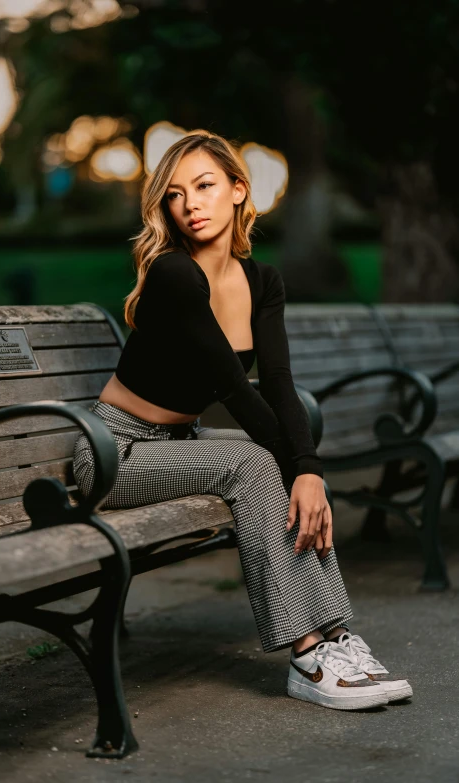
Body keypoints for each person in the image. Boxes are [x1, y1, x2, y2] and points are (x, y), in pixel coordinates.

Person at [73, 130, 412, 711]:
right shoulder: (175, 275)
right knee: (258, 460)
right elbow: (233, 387)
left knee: (280, 462)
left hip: (179, 446)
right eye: (176, 194)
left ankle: (337, 639)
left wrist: (307, 469)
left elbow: (277, 384)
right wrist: (305, 471)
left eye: (205, 186)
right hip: (115, 453)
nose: (191, 204)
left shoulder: (263, 282)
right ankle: (306, 655)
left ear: (237, 190)